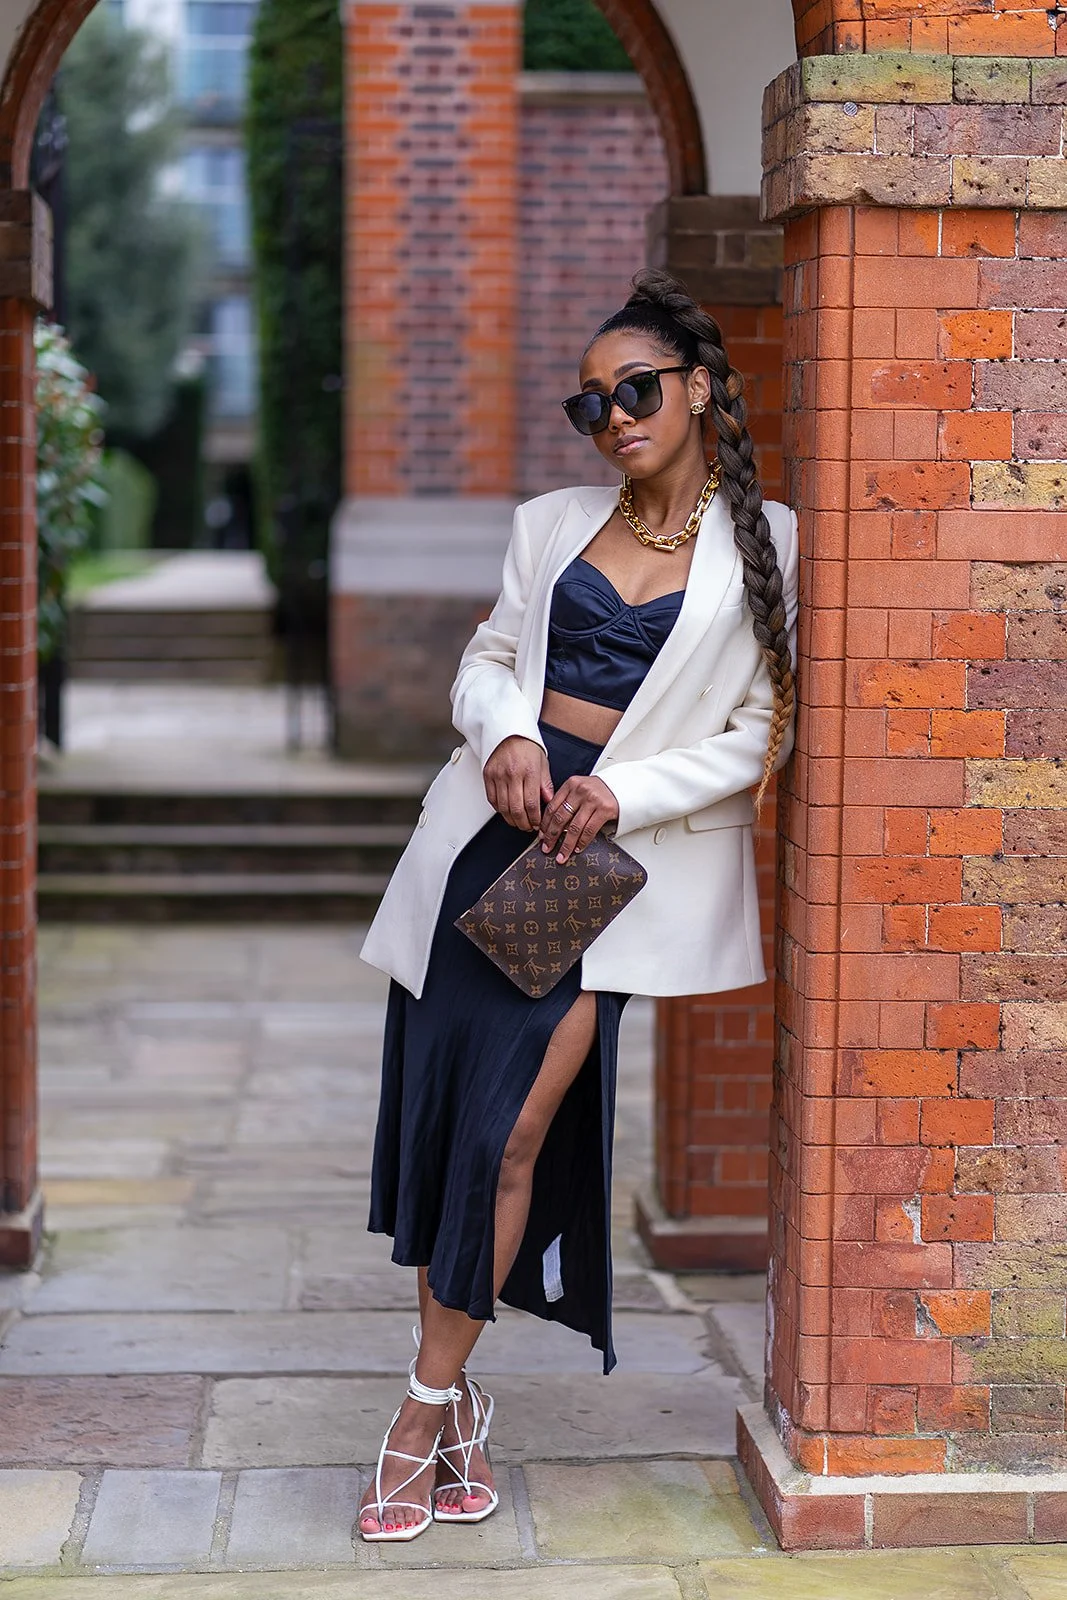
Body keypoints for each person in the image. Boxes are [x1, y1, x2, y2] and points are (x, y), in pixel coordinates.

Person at [356, 269, 799, 1541]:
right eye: (589, 401)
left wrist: (621, 791)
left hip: (592, 883)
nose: (612, 416)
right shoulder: (548, 523)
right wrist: (503, 733)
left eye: (637, 389)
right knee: (456, 1140)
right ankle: (454, 1407)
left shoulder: (772, 542)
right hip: (481, 856)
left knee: (508, 1136)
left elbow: (759, 732)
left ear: (700, 387)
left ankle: (415, 1415)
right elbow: (489, 658)